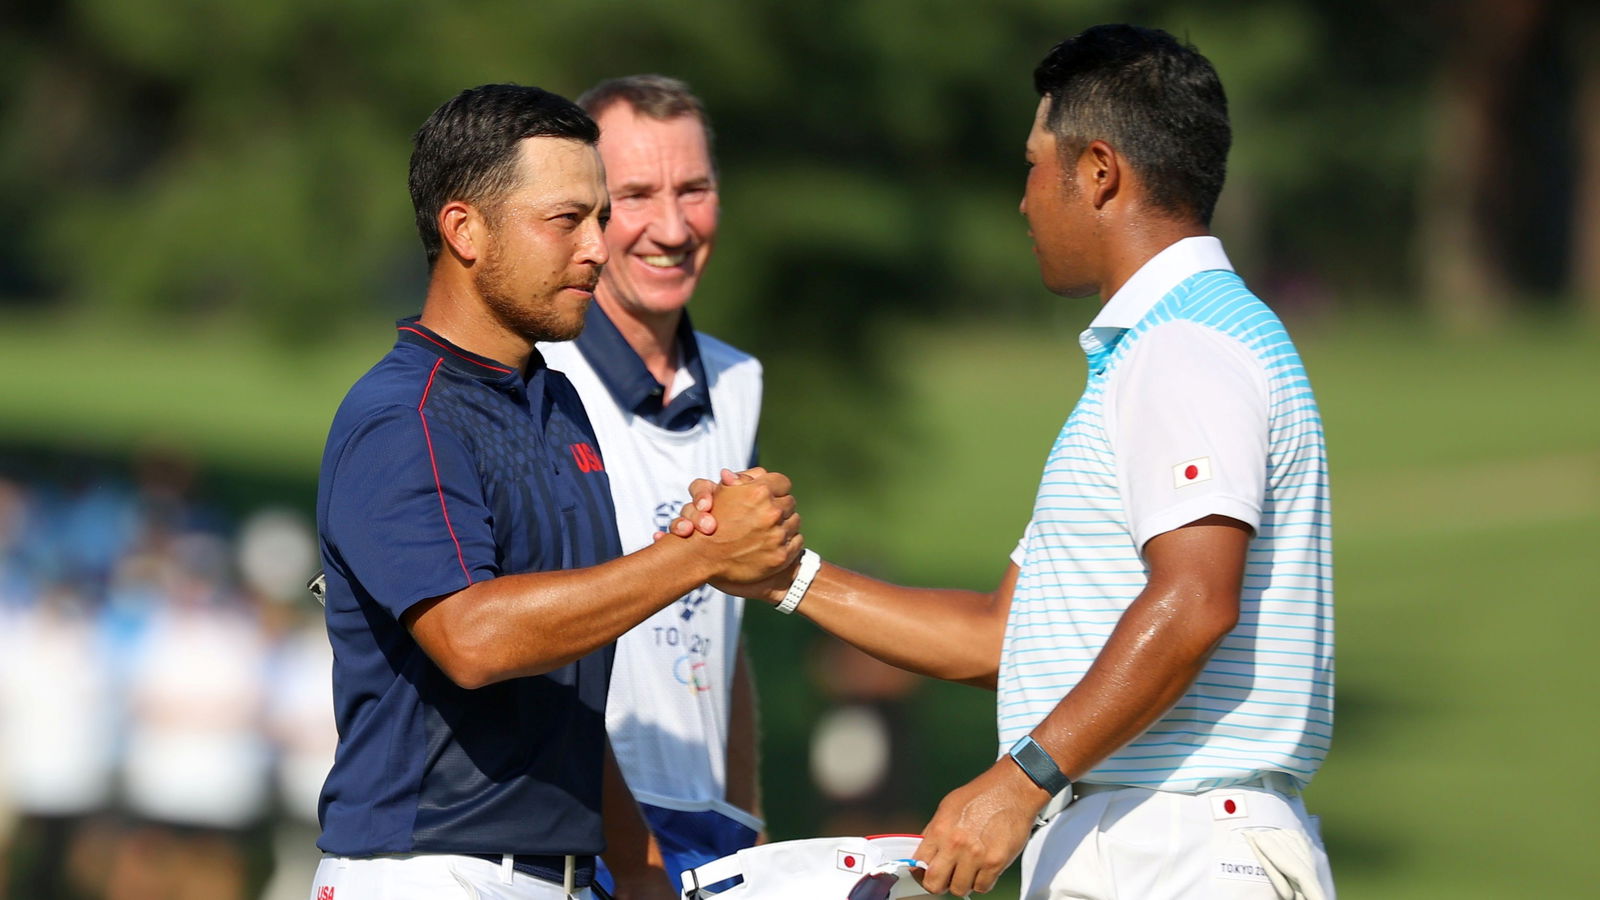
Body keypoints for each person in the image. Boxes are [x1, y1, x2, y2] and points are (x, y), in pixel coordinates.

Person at [678, 25, 1336, 900]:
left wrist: (1018, 780)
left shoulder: (1183, 347)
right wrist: (785, 578)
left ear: (1098, 171)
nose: (1023, 202)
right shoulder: (1156, 351)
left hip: (1178, 847)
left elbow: (1193, 599)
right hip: (1143, 837)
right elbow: (1000, 634)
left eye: (1034, 165)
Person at [310, 84, 800, 900]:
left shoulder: (555, 402)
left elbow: (562, 694)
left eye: (600, 218)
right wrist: (697, 556)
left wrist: (643, 875)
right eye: (566, 220)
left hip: (564, 876)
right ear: (464, 229)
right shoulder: (403, 416)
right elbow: (475, 642)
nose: (598, 247)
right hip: (427, 873)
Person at [536, 74, 764, 890]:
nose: (672, 227)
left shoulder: (740, 382)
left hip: (707, 837)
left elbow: (729, 630)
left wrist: (749, 826)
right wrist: (637, 862)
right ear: (588, 212)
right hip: (584, 836)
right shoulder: (540, 379)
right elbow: (539, 656)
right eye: (635, 195)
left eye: (694, 189)